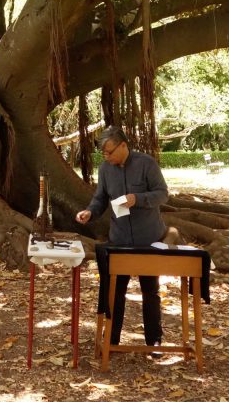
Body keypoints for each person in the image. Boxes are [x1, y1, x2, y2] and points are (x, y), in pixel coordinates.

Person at [75, 125, 168, 348]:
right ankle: (112, 340)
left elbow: (162, 194)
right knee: (116, 291)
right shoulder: (106, 170)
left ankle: (154, 341)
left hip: (148, 238)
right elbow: (100, 199)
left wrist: (138, 198)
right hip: (120, 239)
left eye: (109, 152)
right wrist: (90, 211)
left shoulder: (146, 164)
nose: (106, 157)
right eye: (103, 154)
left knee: (150, 291)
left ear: (123, 145)